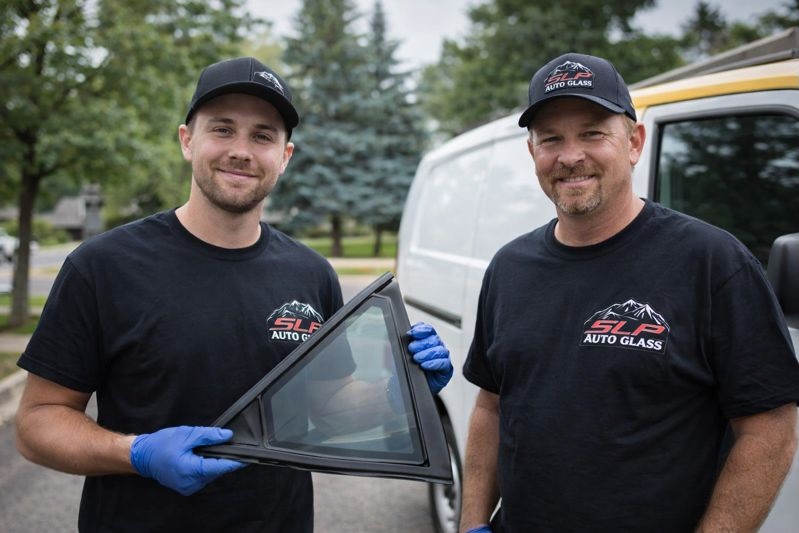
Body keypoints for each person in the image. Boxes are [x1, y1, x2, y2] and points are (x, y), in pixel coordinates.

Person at [14, 56, 453, 532]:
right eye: (222, 129)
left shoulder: (311, 273)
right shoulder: (103, 266)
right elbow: (38, 421)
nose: (241, 150)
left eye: (262, 135)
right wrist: (134, 453)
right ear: (188, 140)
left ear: (284, 157)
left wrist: (401, 391)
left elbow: (327, 410)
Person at [458, 52, 799, 533]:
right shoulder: (509, 267)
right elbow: (491, 407)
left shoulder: (712, 262)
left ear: (634, 142)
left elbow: (770, 429)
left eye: (593, 133)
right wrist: (472, 522)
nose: (570, 155)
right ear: (533, 153)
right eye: (551, 138)